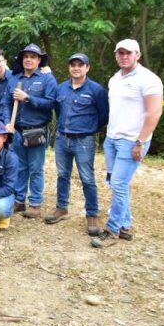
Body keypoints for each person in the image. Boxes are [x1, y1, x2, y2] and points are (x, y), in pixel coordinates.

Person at [92, 39, 163, 248]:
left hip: (132, 141)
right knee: (117, 183)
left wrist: (140, 142)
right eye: (120, 53)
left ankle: (112, 230)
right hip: (112, 139)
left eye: (128, 53)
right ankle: (125, 226)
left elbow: (154, 113)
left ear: (137, 55)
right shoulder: (115, 79)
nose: (124, 56)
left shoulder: (149, 79)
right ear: (116, 55)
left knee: (119, 184)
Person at [45, 53, 109, 234]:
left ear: (87, 68)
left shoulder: (96, 90)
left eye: (80, 65)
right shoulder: (61, 89)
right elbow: (58, 110)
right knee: (62, 175)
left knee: (87, 178)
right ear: (69, 68)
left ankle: (92, 215)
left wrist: (89, 129)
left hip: (84, 140)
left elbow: (104, 115)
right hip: (62, 138)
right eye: (73, 65)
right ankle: (61, 208)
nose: (76, 68)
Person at [4, 44, 58, 219]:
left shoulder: (47, 79)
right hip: (17, 131)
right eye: (26, 56)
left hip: (37, 130)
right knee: (19, 167)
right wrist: (7, 123)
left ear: (39, 60)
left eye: (33, 57)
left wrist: (28, 98)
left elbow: (50, 103)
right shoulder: (14, 78)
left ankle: (35, 203)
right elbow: (6, 103)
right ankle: (19, 200)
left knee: (35, 168)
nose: (28, 59)